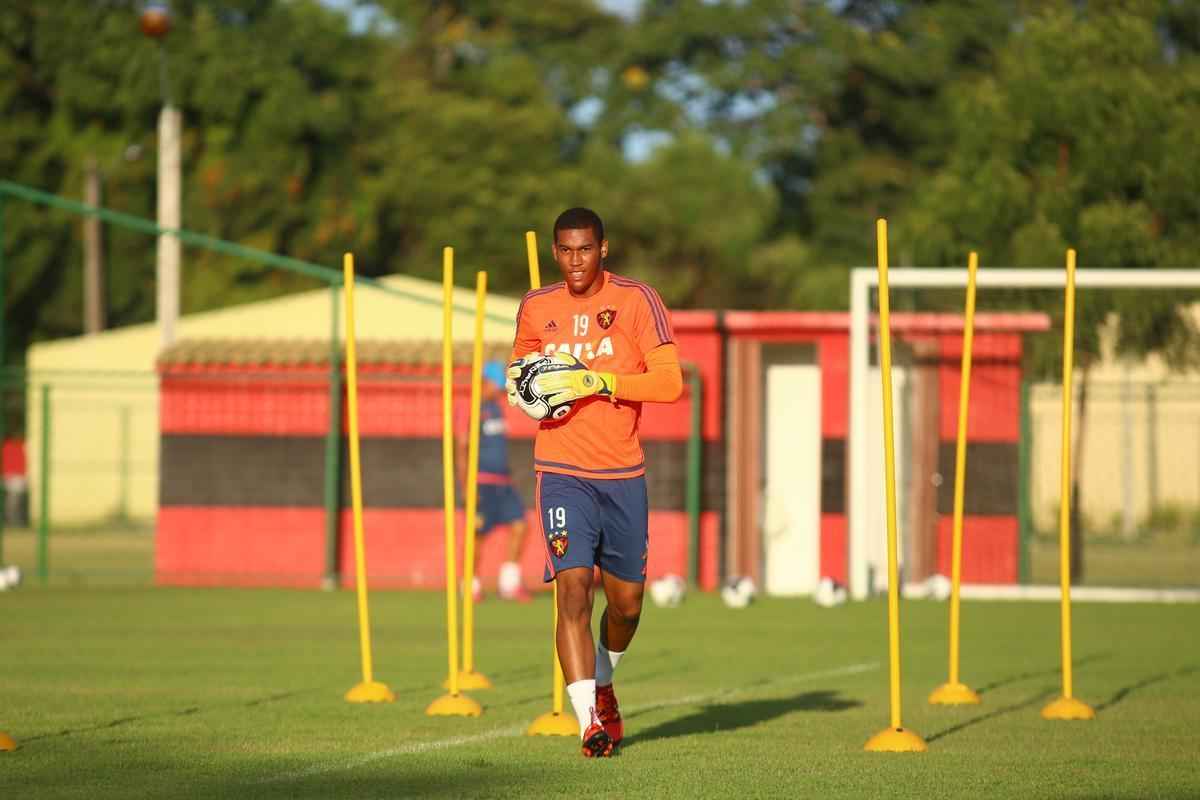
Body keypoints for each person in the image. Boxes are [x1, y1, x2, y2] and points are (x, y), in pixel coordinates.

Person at [508, 207, 683, 757]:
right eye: (565, 250)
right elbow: (520, 380)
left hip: (623, 473)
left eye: (585, 249)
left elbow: (671, 383)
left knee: (627, 604)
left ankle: (604, 684)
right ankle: (589, 722)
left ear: (603, 249)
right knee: (574, 589)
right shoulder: (537, 307)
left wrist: (598, 380)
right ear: (556, 252)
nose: (574, 260)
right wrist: (532, 388)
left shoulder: (637, 300)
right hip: (560, 471)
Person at [457, 361, 532, 603]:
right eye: (495, 386)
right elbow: (462, 449)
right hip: (482, 482)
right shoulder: (471, 409)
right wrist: (467, 486)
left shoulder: (497, 407)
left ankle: (508, 584)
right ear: (483, 382)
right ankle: (470, 585)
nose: (499, 391)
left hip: (503, 482)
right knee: (477, 535)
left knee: (520, 525)